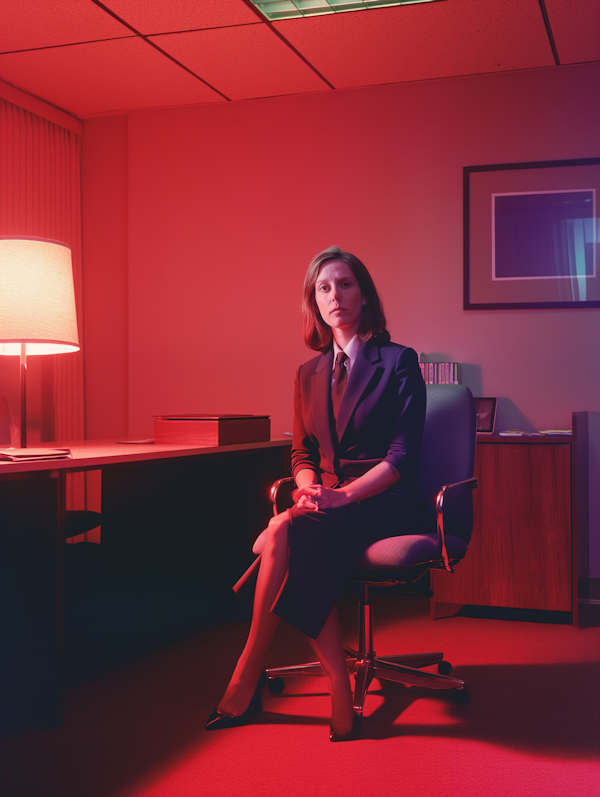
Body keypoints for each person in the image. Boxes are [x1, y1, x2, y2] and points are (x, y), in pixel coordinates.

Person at [206, 246, 426, 741]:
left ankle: (247, 674)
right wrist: (309, 491)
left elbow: (403, 456)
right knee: (295, 529)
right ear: (314, 302)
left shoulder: (399, 362)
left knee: (285, 530)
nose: (335, 296)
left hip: (383, 502)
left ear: (364, 296)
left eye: (345, 284)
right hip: (325, 506)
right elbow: (301, 456)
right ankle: (337, 692)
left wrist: (343, 497)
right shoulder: (308, 373)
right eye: (323, 288)